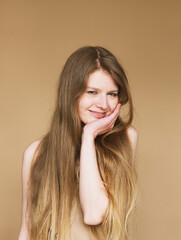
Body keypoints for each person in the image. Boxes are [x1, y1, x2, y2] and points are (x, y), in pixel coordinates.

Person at [18, 46, 138, 240]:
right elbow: (27, 230)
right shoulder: (35, 154)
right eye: (92, 92)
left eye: (112, 94)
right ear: (70, 94)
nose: (104, 104)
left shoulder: (125, 139)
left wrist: (88, 135)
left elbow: (93, 213)